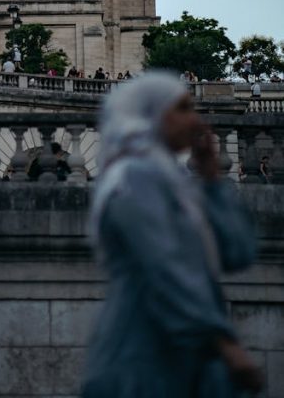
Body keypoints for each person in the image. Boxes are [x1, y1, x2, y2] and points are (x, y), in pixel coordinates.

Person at [81, 72, 262, 397]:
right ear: (153, 115)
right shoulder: (133, 177)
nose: (194, 118)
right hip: (139, 355)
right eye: (182, 108)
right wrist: (224, 341)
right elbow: (162, 266)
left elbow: (238, 253)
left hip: (187, 357)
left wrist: (212, 181)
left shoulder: (175, 180)